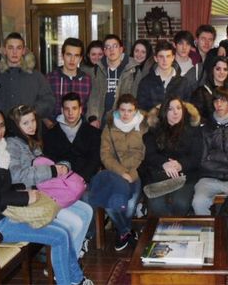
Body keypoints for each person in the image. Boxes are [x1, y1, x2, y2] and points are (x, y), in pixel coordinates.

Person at [0, 103, 93, 285]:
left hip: (6, 212)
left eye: (2, 125)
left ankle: (76, 280)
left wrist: (24, 193)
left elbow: (3, 188)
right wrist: (25, 197)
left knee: (63, 232)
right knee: (60, 236)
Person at [6, 104, 93, 258]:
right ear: (16, 125)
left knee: (87, 211)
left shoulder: (30, 141)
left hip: (46, 191)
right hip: (32, 198)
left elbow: (45, 162)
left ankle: (69, 260)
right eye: (25, 123)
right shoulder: (13, 144)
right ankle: (63, 265)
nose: (32, 125)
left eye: (33, 121)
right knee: (76, 223)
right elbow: (17, 176)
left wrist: (62, 166)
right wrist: (52, 170)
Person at [90, 94, 147, 251]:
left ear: (135, 111)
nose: (126, 114)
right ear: (117, 110)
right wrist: (122, 172)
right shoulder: (109, 127)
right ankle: (125, 232)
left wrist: (132, 174)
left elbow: (145, 155)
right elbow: (105, 155)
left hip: (136, 173)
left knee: (129, 206)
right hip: (115, 173)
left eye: (130, 111)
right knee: (110, 203)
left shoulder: (143, 127)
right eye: (123, 110)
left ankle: (123, 232)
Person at [139, 96, 202, 216]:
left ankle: (177, 230)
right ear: (164, 112)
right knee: (156, 205)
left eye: (178, 108)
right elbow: (150, 156)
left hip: (185, 177)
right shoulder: (153, 132)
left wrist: (180, 164)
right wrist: (164, 163)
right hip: (159, 176)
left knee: (181, 203)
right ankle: (163, 232)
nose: (175, 112)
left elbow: (196, 158)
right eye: (170, 109)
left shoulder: (193, 132)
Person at [192, 87, 228, 215]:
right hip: (209, 178)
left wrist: (213, 155)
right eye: (216, 101)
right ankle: (207, 233)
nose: (219, 104)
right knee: (198, 202)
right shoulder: (205, 128)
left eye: (223, 101)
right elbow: (203, 161)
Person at [0, 32, 54, 121]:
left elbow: (49, 100)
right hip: (1, 130)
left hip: (29, 129)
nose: (14, 52)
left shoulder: (36, 76)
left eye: (18, 48)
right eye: (10, 48)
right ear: (4, 50)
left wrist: (32, 112)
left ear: (23, 51)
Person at [43, 92, 101, 183]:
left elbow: (94, 160)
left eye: (74, 108)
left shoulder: (93, 133)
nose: (70, 113)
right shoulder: (51, 134)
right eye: (67, 109)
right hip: (60, 182)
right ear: (62, 110)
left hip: (87, 181)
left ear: (80, 110)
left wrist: (80, 179)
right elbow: (50, 161)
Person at [86, 34, 138, 128]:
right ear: (104, 51)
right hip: (101, 120)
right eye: (108, 47)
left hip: (124, 120)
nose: (111, 49)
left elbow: (136, 96)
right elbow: (94, 96)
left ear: (121, 49)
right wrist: (93, 117)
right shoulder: (98, 69)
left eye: (115, 46)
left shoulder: (133, 69)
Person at [46, 38, 92, 125]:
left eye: (76, 55)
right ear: (62, 55)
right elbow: (43, 107)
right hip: (54, 129)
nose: (72, 59)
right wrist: (50, 125)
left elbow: (88, 108)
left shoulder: (87, 80)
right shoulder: (50, 79)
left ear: (81, 58)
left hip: (79, 131)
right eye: (69, 55)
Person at [137, 41, 191, 111]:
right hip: (153, 121)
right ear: (156, 59)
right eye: (161, 56)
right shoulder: (145, 82)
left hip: (177, 121)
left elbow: (187, 108)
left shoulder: (183, 82)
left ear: (173, 58)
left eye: (168, 56)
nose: (165, 60)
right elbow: (141, 109)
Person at [191, 56, 228, 122]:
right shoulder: (201, 92)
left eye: (225, 69)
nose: (222, 72)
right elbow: (196, 117)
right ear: (212, 70)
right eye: (218, 69)